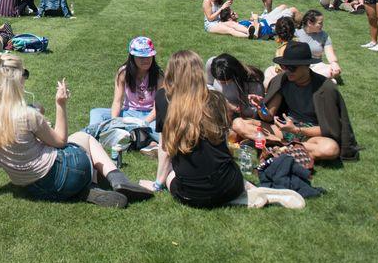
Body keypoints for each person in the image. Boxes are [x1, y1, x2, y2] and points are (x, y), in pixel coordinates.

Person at [0, 53, 153, 208]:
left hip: (30, 188)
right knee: (84, 138)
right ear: (13, 82)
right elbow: (60, 141)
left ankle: (90, 189)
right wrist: (61, 104)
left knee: (71, 150)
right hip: (66, 173)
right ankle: (115, 178)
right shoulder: (26, 115)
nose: (25, 80)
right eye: (23, 76)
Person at [144, 50, 304, 208]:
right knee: (222, 168)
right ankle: (249, 189)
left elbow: (165, 148)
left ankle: (241, 193)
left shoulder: (163, 97)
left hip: (191, 194)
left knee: (170, 174)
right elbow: (223, 142)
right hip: (229, 184)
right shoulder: (216, 99)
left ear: (172, 72)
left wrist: (157, 183)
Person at [259, 41, 358, 161]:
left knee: (331, 149)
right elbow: (268, 117)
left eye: (292, 68)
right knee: (239, 124)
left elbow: (330, 129)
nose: (287, 71)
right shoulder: (282, 80)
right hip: (284, 129)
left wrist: (297, 130)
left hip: (311, 135)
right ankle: (289, 150)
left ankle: (278, 147)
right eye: (284, 67)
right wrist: (261, 107)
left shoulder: (325, 88)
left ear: (307, 65)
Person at [87, 36, 163, 142]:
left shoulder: (158, 76)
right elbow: (117, 101)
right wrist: (114, 121)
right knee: (97, 113)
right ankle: (90, 137)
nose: (146, 60)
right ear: (132, 57)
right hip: (128, 112)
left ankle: (135, 135)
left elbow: (157, 108)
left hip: (150, 116)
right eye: (141, 57)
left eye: (149, 57)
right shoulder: (123, 73)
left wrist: (143, 123)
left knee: (160, 132)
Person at [294, 9, 342, 79]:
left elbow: (330, 53)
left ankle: (310, 79)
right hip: (300, 65)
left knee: (331, 71)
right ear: (310, 23)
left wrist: (334, 64)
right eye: (320, 23)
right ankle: (318, 81)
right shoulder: (296, 34)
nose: (322, 25)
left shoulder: (323, 35)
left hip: (317, 65)